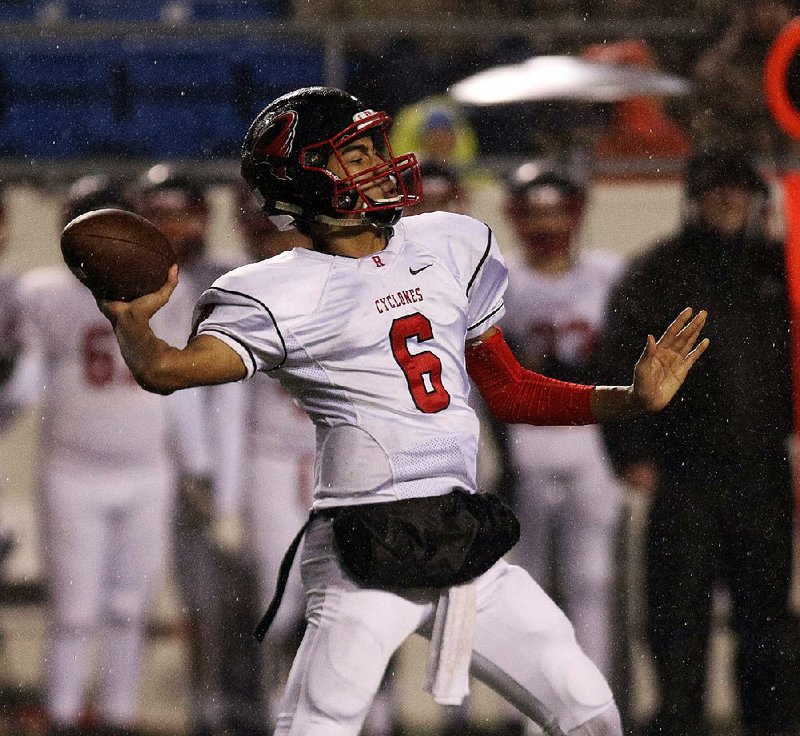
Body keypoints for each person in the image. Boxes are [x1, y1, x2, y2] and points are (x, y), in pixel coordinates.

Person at [97, 86, 708, 736]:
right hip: (365, 549)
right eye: (351, 155)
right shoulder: (275, 289)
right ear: (305, 178)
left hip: (458, 538)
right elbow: (167, 371)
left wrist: (630, 400)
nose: (378, 164)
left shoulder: (447, 243)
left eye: (372, 148)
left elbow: (510, 389)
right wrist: (133, 326)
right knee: (317, 727)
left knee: (588, 709)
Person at [597, 147, 793, 736]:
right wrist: (630, 451)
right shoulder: (656, 272)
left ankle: (772, 725)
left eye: (739, 189)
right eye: (716, 189)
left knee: (768, 620)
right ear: (694, 198)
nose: (729, 200)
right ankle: (680, 723)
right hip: (685, 471)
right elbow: (618, 361)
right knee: (676, 619)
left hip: (764, 470)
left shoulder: (781, 271)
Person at [0, 176, 176, 736]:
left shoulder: (167, 288)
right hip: (72, 470)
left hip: (148, 468)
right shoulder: (45, 293)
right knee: (74, 612)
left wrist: (198, 462)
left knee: (129, 610)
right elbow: (25, 380)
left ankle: (118, 717)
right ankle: (62, 715)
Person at [132, 167, 260, 736]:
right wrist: (198, 472)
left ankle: (248, 707)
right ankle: (205, 710)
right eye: (161, 215)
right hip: (176, 463)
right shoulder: (138, 282)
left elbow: (236, 394)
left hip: (250, 461)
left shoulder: (231, 276)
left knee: (256, 600)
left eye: (181, 213)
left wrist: (224, 482)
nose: (173, 227)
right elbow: (169, 387)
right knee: (198, 602)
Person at [499, 162, 625, 684]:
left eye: (557, 211)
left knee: (590, 582)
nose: (548, 225)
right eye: (536, 213)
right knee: (528, 583)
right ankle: (534, 709)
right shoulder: (501, 280)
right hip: (528, 437)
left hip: (590, 437)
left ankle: (590, 704)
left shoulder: (607, 274)